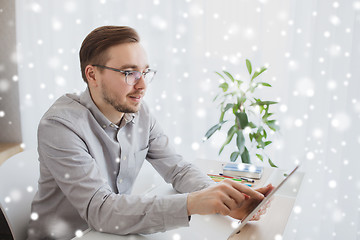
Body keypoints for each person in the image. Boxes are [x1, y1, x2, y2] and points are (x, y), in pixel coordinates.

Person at [26, 26, 274, 239]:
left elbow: (177, 168)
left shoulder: (138, 112)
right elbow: (100, 210)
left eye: (144, 72)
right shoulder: (60, 125)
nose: (142, 85)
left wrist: (223, 200)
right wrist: (193, 203)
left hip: (113, 232)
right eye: (129, 73)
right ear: (92, 74)